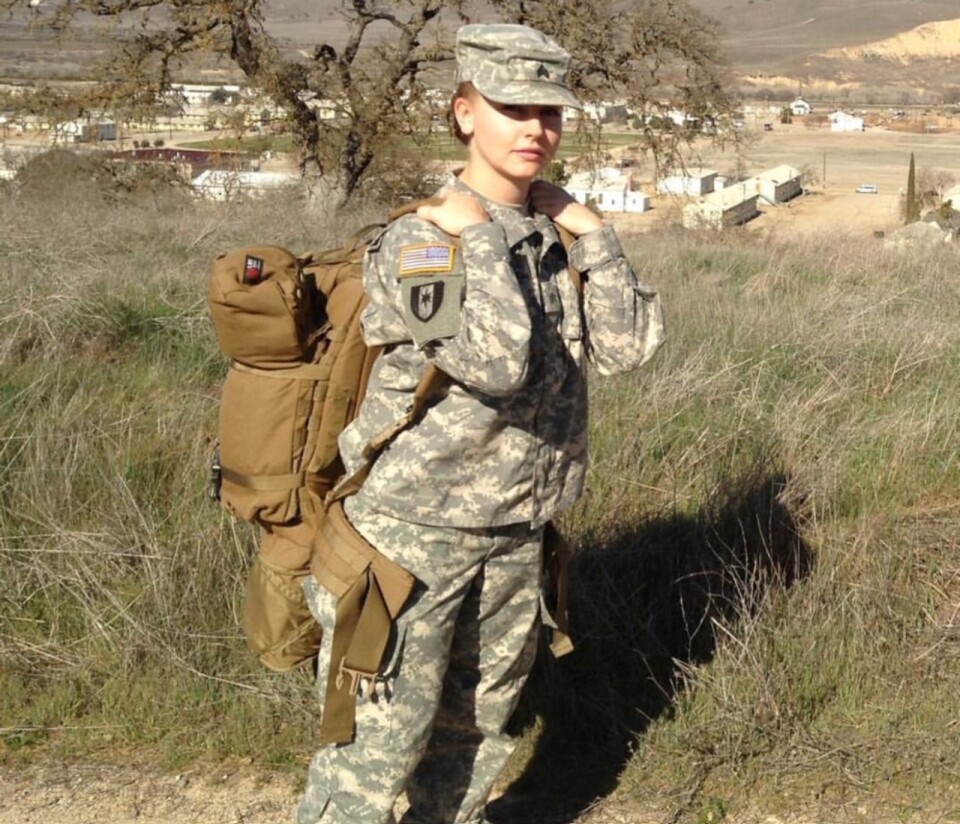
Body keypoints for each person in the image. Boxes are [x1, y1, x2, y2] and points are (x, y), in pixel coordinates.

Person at [297, 22, 665, 824]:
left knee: (473, 746)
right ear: (465, 112)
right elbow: (495, 363)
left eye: (552, 112)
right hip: (413, 538)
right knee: (374, 754)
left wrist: (595, 235)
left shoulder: (558, 235)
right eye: (513, 108)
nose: (537, 129)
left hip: (515, 532)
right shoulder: (424, 239)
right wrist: (476, 236)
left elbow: (629, 348)